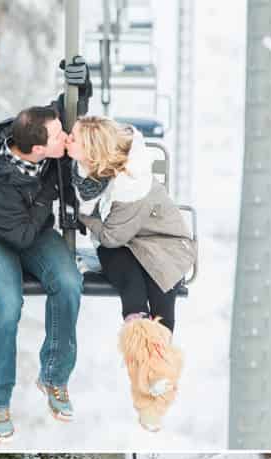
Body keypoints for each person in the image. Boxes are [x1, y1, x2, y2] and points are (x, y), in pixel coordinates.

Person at [0, 61, 91, 443]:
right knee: (8, 303)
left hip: (32, 229)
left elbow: (69, 110)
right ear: (37, 150)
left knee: (68, 283)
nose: (64, 139)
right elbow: (18, 236)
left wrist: (80, 86)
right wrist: (48, 194)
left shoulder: (38, 134)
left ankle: (54, 377)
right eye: (57, 139)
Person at [67, 117, 197, 432]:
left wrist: (83, 218)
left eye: (74, 138)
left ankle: (155, 389)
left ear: (92, 151)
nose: (68, 139)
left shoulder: (130, 184)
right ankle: (149, 384)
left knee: (159, 312)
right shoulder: (93, 169)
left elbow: (111, 235)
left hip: (160, 246)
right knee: (135, 301)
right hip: (126, 246)